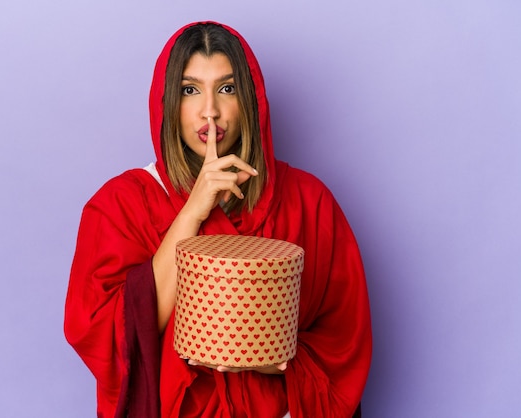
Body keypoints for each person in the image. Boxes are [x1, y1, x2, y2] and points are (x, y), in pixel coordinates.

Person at [64, 21, 372, 418]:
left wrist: (275, 360)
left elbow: (346, 340)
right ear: (166, 103)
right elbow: (106, 335)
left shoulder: (308, 202)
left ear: (250, 99)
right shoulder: (121, 205)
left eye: (227, 89)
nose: (210, 110)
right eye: (189, 90)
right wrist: (193, 211)